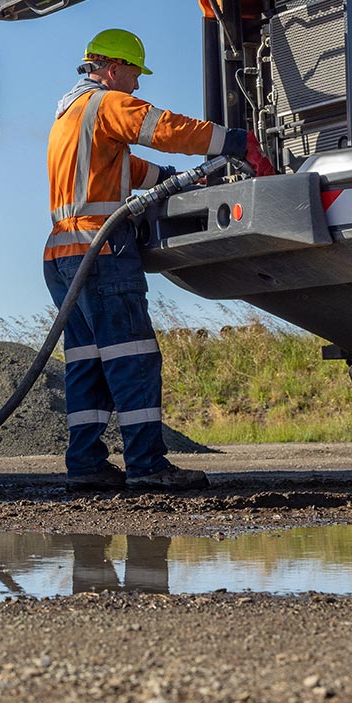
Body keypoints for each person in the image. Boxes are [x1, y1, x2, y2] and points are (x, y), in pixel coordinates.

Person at [44, 28, 274, 492]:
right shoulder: (106, 104)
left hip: (63, 256)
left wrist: (175, 179)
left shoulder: (70, 115)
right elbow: (162, 127)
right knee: (134, 357)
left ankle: (86, 465)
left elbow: (124, 170)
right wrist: (233, 142)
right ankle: (148, 465)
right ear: (112, 68)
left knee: (88, 362)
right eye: (133, 74)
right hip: (103, 252)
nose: (136, 85)